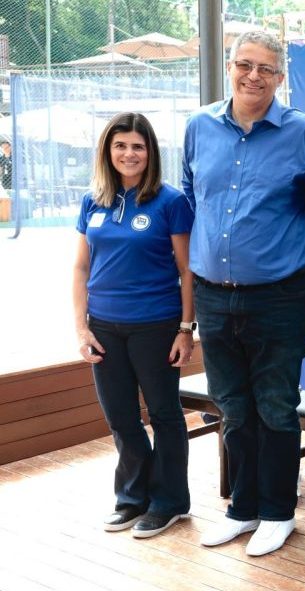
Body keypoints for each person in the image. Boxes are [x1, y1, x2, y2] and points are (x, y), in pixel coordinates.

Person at [182, 30, 305, 557]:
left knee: (274, 406)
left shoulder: (303, 134)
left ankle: (278, 512)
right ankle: (242, 509)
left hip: (282, 296)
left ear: (280, 77)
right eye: (245, 64)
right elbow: (190, 202)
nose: (253, 76)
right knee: (233, 406)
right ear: (229, 66)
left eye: (265, 69)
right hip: (214, 295)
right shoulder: (198, 127)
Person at [71, 112, 194, 539]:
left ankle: (170, 501)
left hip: (156, 326)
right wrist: (81, 327)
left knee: (163, 414)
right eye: (120, 145)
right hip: (103, 326)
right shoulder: (93, 200)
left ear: (150, 153)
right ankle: (132, 497)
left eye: (137, 146)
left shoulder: (171, 201)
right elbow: (81, 266)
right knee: (121, 416)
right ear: (108, 150)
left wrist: (185, 328)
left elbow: (186, 270)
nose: (129, 153)